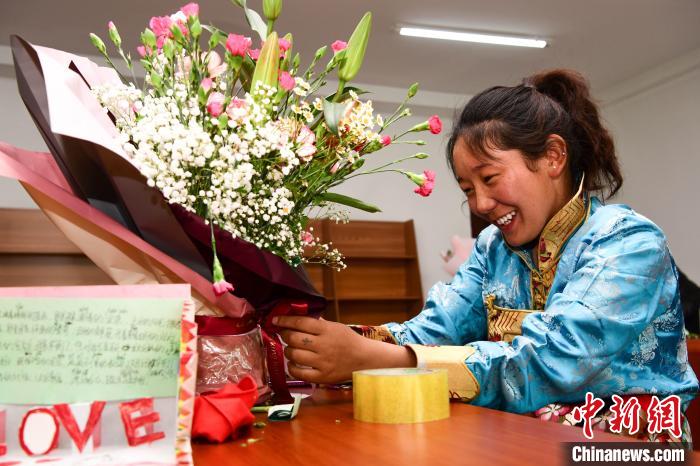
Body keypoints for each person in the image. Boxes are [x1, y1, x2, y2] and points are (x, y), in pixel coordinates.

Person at [274, 69, 699, 442]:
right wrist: (333, 345)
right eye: (467, 189)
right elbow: (435, 330)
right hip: (521, 436)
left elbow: (551, 361)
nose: (479, 204)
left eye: (490, 178)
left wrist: (381, 359)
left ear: (553, 157)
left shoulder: (628, 242)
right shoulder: (492, 248)